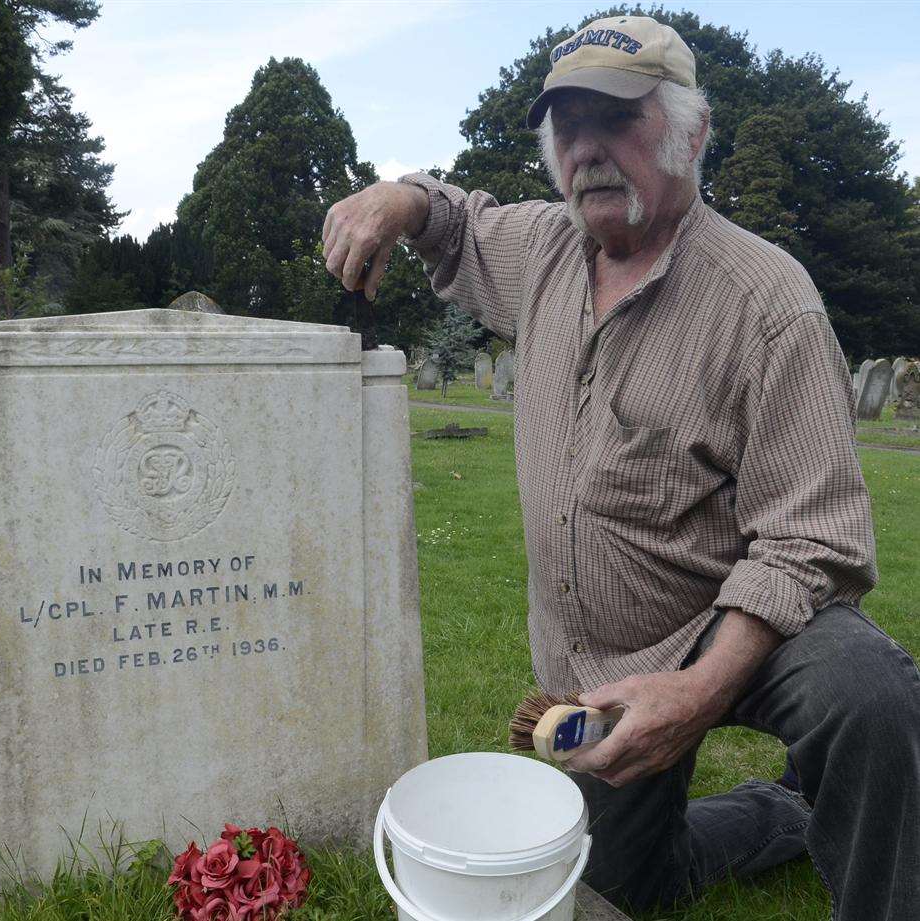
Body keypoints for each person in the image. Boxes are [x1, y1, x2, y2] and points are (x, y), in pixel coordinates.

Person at [321, 15, 920, 920]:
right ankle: (784, 810)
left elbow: (810, 538)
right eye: (569, 126)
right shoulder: (546, 250)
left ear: (691, 130)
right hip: (597, 659)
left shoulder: (767, 302)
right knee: (622, 885)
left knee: (867, 693)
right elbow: (456, 226)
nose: (589, 150)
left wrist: (696, 688)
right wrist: (399, 198)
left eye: (618, 119)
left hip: (739, 627)